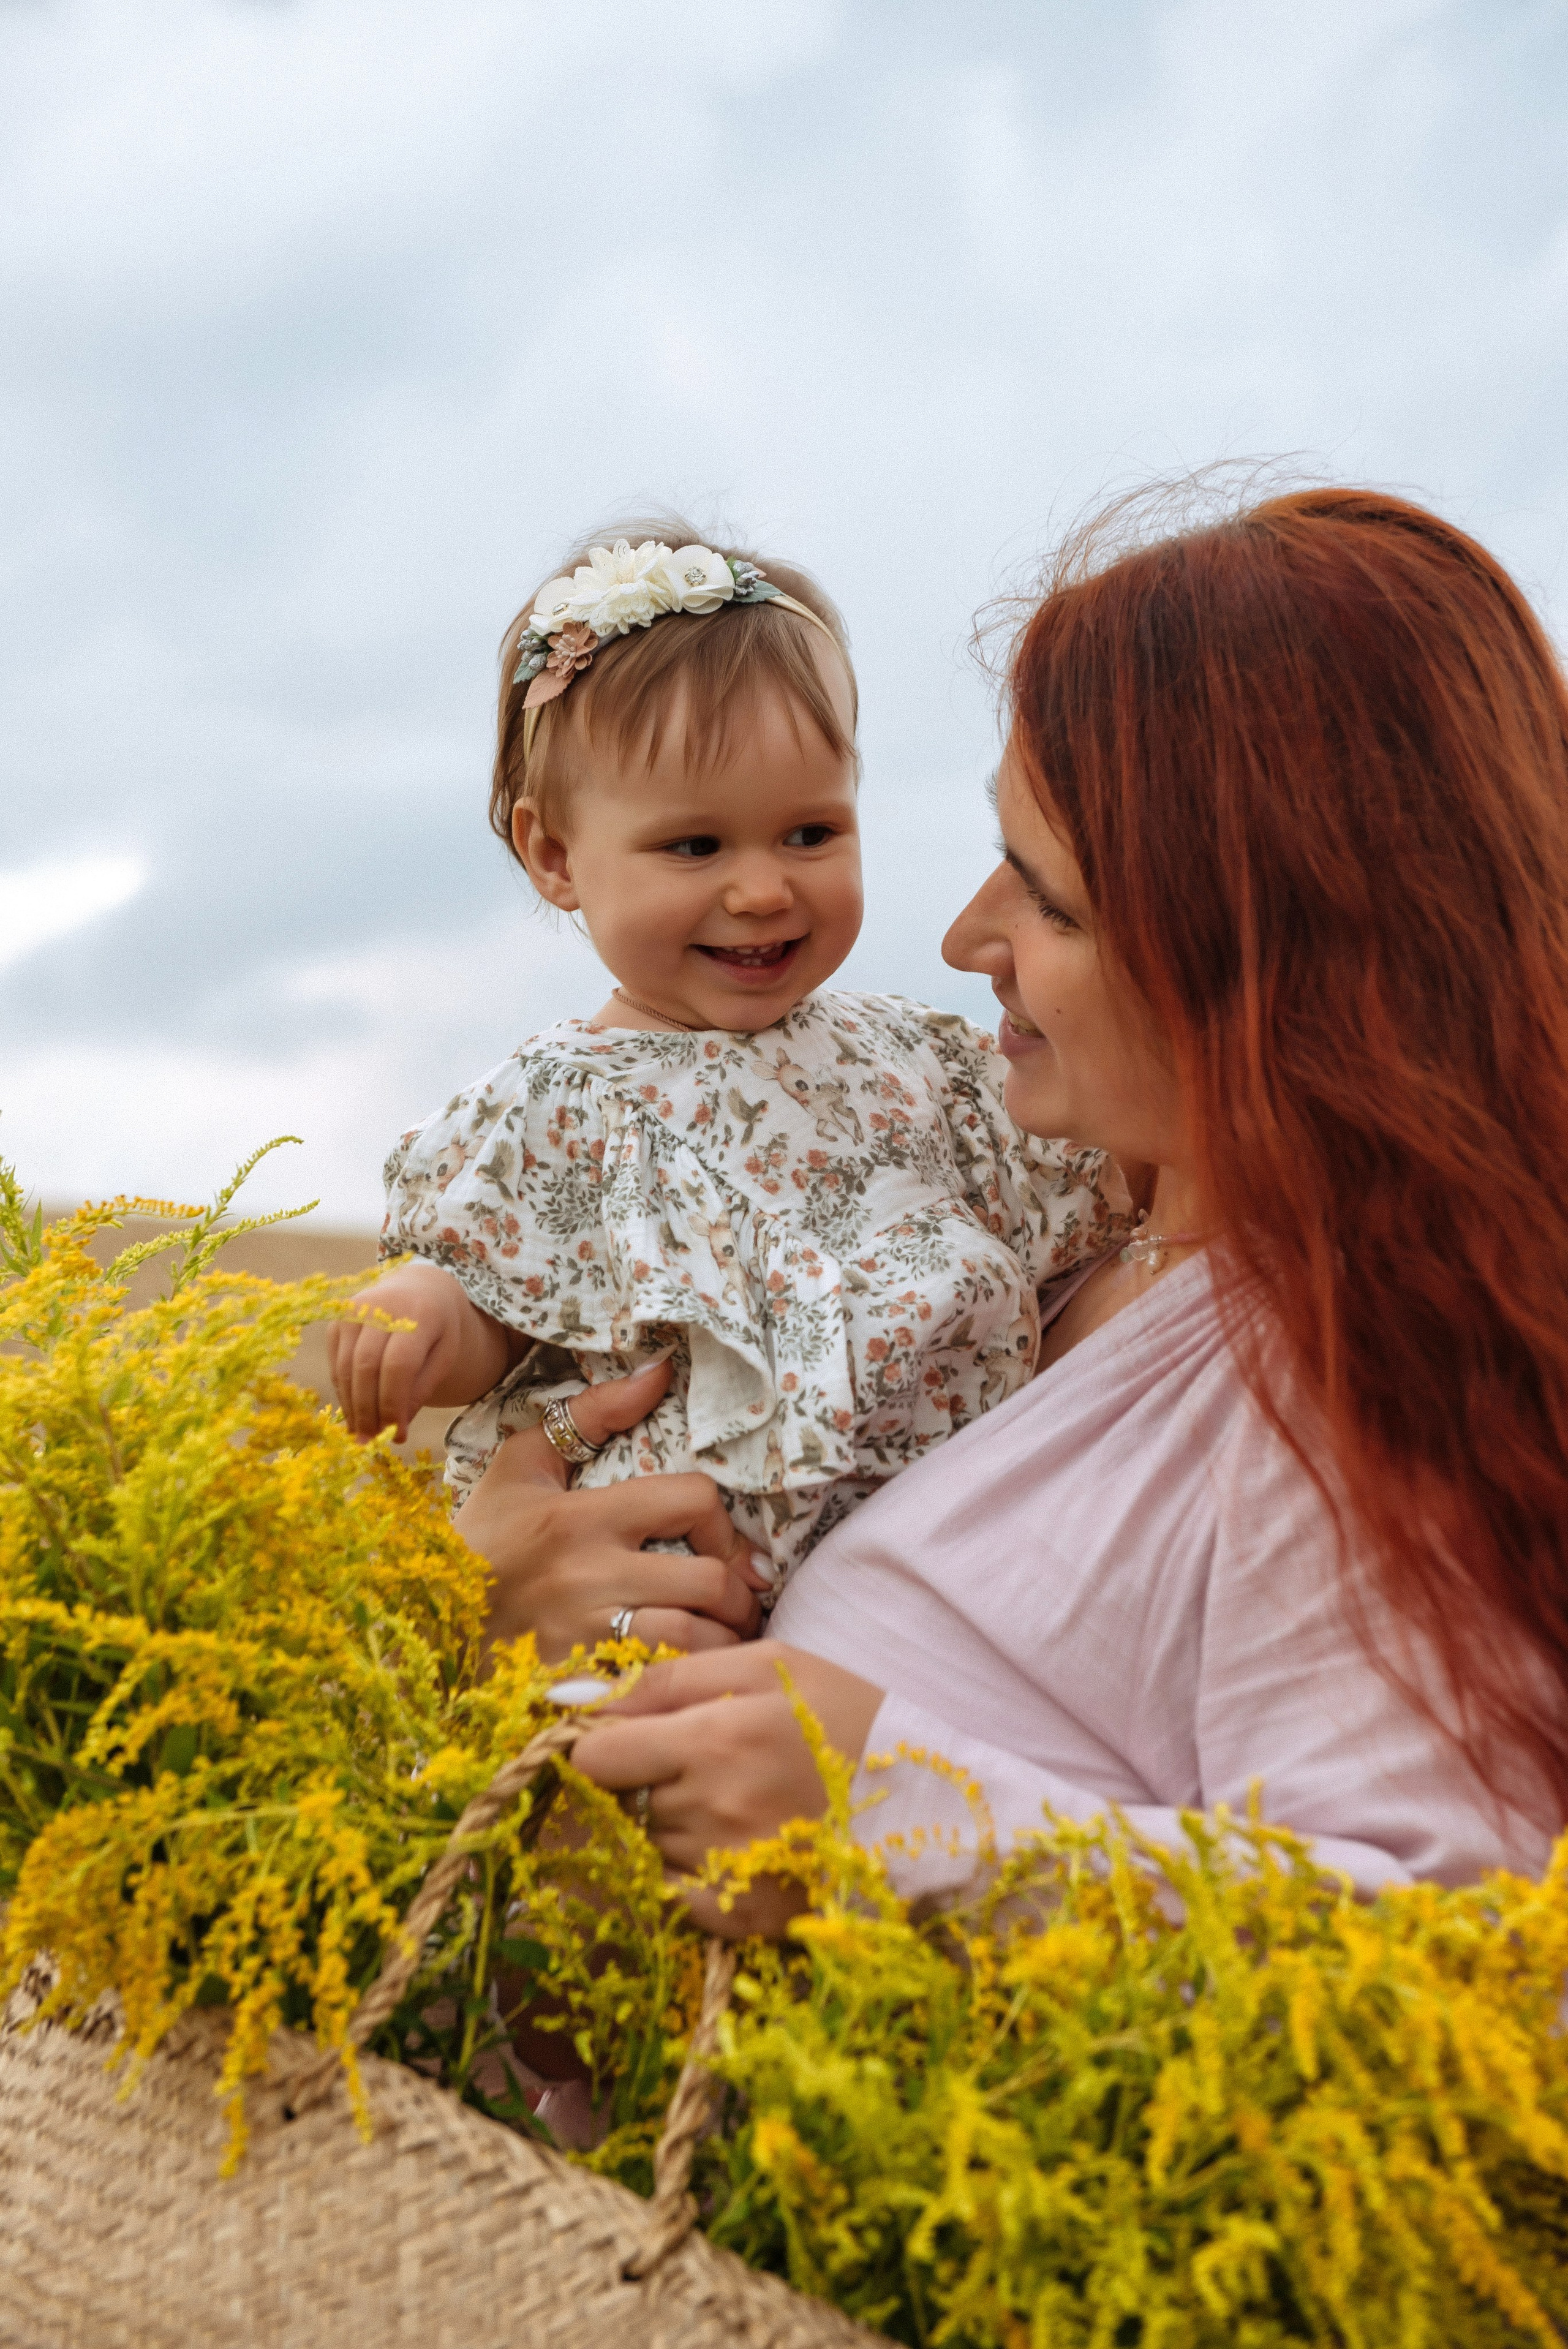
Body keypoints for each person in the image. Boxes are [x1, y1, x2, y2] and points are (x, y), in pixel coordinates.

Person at [454, 485, 1568, 1935]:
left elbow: (1485, 1960)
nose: (960, 935)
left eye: (1044, 900)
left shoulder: (1358, 1395)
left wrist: (892, 1816)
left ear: (1258, 954)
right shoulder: (1039, 1232)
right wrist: (494, 1599)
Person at [328, 519, 1123, 1600]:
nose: (762, 889)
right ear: (554, 854)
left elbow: (1092, 1198)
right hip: (671, 1579)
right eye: (696, 846)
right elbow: (500, 1295)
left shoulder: (915, 1061)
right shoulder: (559, 1102)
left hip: (944, 1567)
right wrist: (428, 1313)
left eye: (810, 834)